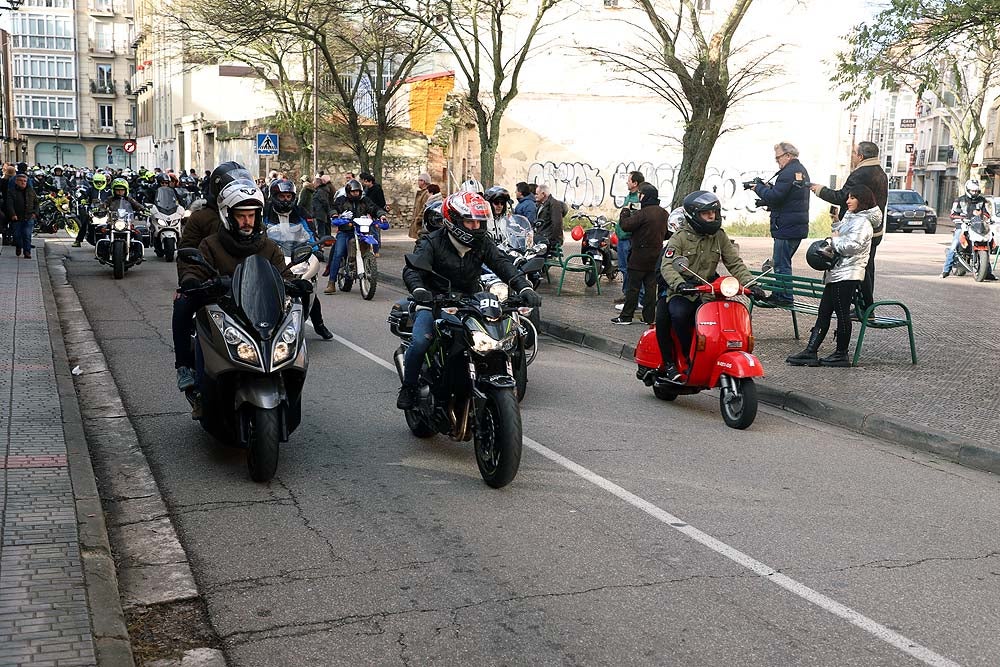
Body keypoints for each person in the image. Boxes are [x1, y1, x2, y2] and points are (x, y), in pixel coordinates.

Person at [396, 191, 542, 409]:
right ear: (453, 221)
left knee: (493, 334)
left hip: (470, 300)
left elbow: (502, 264)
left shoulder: (482, 243)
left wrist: (524, 287)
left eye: (479, 222)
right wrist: (419, 290)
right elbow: (413, 270)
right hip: (433, 300)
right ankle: (408, 388)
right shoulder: (432, 242)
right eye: (470, 221)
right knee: (420, 341)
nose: (476, 227)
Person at [176, 181, 310, 406]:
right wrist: (193, 280)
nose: (247, 221)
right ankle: (198, 384)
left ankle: (288, 386)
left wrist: (296, 284)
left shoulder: (268, 246)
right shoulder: (210, 245)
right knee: (198, 325)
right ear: (228, 216)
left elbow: (283, 273)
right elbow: (193, 269)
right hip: (224, 310)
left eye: (252, 215)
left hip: (261, 312)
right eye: (241, 216)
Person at [656, 191, 762, 383]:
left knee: (722, 321)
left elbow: (734, 263)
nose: (712, 217)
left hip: (708, 293)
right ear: (694, 215)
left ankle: (716, 357)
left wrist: (751, 284)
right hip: (684, 292)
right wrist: (680, 284)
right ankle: (686, 357)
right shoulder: (679, 237)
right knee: (680, 315)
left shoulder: (719, 236)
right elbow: (667, 265)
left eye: (714, 212)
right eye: (707, 213)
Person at [173, 161, 257, 390]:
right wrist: (190, 280)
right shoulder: (200, 218)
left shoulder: (248, 214)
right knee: (182, 305)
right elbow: (186, 251)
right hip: (209, 285)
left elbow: (265, 248)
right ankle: (184, 366)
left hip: (247, 286)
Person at [786, 184, 877, 368]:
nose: (848, 201)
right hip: (837, 271)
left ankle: (841, 354)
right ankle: (811, 351)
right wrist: (836, 221)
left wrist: (833, 241)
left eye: (852, 197)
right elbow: (843, 235)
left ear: (862, 200)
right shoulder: (852, 217)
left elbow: (853, 246)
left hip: (848, 274)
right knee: (824, 312)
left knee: (842, 314)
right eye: (848, 197)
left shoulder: (863, 222)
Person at [811, 141, 887, 311]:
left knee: (858, 270)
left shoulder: (860, 174)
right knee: (867, 268)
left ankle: (864, 307)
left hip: (859, 229)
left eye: (854, 153)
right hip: (875, 229)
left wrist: (819, 190)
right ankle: (863, 306)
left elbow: (841, 197)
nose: (852, 156)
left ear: (860, 156)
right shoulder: (881, 173)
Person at [263, 178, 333, 340]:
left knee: (308, 288)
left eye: (289, 196)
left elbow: (310, 233)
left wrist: (315, 249)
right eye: (282, 196)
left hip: (295, 254)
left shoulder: (301, 212)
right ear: (274, 196)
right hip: (273, 256)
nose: (286, 200)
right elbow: (259, 233)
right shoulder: (265, 212)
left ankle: (319, 324)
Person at [750, 142, 810, 305]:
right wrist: (769, 189)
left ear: (788, 155)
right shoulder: (801, 170)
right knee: (781, 262)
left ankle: (783, 297)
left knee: (782, 264)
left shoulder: (787, 172)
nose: (777, 161)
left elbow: (776, 197)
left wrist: (758, 188)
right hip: (796, 226)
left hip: (786, 227)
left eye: (778, 158)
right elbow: (788, 198)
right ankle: (779, 293)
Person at [611, 182, 667, 326]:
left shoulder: (643, 213)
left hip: (639, 256)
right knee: (650, 288)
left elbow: (626, 225)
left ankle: (626, 316)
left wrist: (625, 212)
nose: (639, 198)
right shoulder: (663, 213)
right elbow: (667, 233)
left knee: (633, 287)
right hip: (655, 256)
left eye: (641, 195)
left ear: (645, 196)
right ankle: (649, 318)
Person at [324, 178, 388, 294]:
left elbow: (374, 208)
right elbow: (333, 208)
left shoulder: (365, 201)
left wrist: (381, 215)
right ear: (349, 192)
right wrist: (334, 215)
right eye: (353, 192)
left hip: (361, 231)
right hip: (345, 231)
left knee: (368, 245)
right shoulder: (341, 200)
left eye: (357, 192)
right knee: (338, 253)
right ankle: (331, 282)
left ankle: (365, 263)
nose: (356, 194)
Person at [941, 179, 996, 279]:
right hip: (962, 226)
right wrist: (962, 218)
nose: (975, 193)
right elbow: (953, 215)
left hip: (977, 225)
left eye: (977, 191)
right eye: (972, 191)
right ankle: (946, 270)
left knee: (988, 243)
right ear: (967, 190)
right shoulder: (959, 200)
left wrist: (985, 216)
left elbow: (987, 213)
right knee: (954, 246)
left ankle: (988, 272)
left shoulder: (982, 201)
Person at [614, 171, 644, 306]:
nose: (627, 182)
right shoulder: (629, 196)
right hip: (622, 238)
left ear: (635, 183)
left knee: (629, 268)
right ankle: (627, 294)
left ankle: (635, 298)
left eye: (629, 180)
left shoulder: (637, 199)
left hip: (628, 239)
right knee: (623, 267)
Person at [72, 172, 111, 247]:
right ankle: (78, 240)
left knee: (114, 224)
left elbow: (113, 199)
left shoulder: (108, 191)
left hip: (105, 211)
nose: (99, 184)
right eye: (97, 182)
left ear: (105, 182)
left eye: (101, 182)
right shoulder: (91, 189)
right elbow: (83, 195)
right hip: (92, 211)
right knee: (85, 223)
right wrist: (82, 199)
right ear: (94, 182)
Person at [6, 172, 37, 259]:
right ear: (16, 182)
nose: (23, 182)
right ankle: (19, 246)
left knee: (27, 234)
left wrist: (35, 213)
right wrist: (13, 214)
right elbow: (9, 204)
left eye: (25, 181)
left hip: (29, 217)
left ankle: (27, 252)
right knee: (17, 235)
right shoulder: (11, 192)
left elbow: (36, 203)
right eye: (21, 181)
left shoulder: (31, 191)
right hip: (17, 217)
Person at [533, 184, 564, 253]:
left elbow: (557, 223)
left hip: (548, 240)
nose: (535, 196)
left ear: (543, 194)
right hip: (542, 239)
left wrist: (553, 241)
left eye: (537, 194)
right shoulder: (541, 204)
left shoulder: (554, 204)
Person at [409, 172, 431, 239]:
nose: (417, 182)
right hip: (419, 224)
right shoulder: (422, 193)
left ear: (423, 181)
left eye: (419, 180)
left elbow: (425, 207)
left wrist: (418, 219)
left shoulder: (426, 194)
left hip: (421, 224)